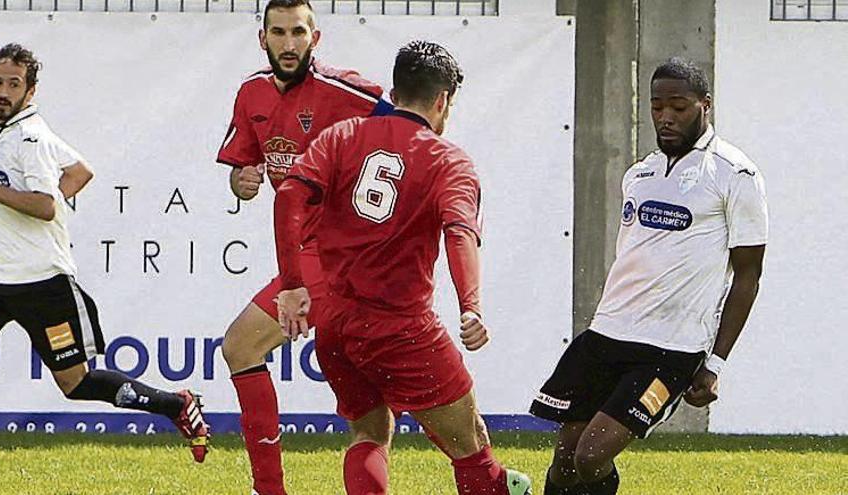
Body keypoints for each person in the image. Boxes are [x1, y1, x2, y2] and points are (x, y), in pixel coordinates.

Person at [274, 40, 532, 495]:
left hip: (334, 321)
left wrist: (294, 285)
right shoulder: (447, 161)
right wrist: (470, 305)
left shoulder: (343, 135)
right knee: (473, 448)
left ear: (394, 91)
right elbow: (459, 233)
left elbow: (289, 197)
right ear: (442, 100)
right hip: (401, 328)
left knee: (370, 432)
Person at [530, 57, 769, 495]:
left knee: (591, 456)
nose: (666, 117)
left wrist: (714, 364)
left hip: (671, 352)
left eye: (678, 106)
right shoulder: (639, 173)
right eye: (657, 107)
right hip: (607, 336)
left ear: (705, 105)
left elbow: (747, 277)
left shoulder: (736, 175)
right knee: (565, 460)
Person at [0, 44, 210, 462]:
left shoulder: (30, 138)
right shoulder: (18, 129)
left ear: (31, 91)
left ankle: (177, 404)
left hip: (42, 286)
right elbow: (81, 171)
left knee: (77, 384)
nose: (2, 92)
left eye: (13, 84)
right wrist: (45, 202)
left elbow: (44, 206)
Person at [215, 1, 392, 493]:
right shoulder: (251, 92)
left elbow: (410, 126)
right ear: (263, 38)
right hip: (304, 253)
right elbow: (242, 166)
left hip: (341, 254)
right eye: (279, 32)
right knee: (376, 412)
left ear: (316, 39)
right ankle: (488, 470)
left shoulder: (344, 90)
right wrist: (240, 180)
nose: (288, 43)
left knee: (240, 345)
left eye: (298, 32)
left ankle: (267, 489)